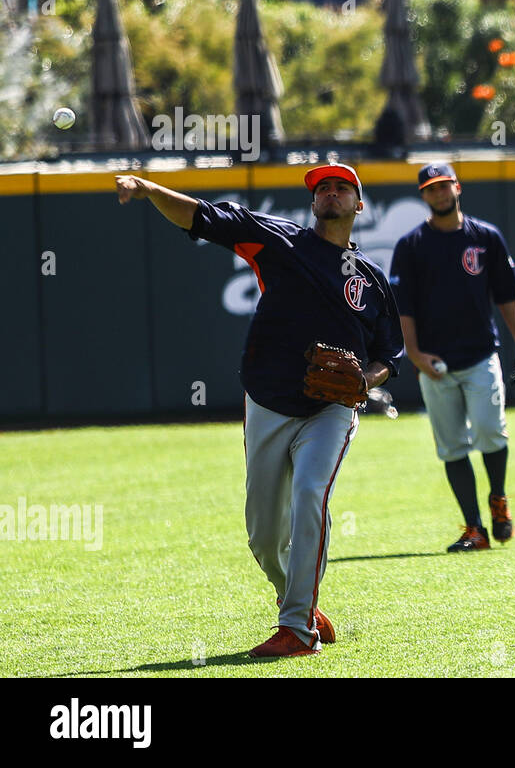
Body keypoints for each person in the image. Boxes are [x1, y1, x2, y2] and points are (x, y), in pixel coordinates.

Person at [114, 163, 403, 658]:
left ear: (360, 205)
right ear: (313, 204)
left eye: (342, 187)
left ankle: (296, 628)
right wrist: (146, 188)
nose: (331, 193)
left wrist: (363, 381)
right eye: (322, 188)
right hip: (268, 400)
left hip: (331, 410)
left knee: (312, 492)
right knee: (263, 538)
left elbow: (389, 357)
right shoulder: (278, 240)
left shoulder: (373, 281)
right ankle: (302, 603)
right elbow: (200, 217)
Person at [388, 163, 515, 552]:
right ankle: (474, 529)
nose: (439, 194)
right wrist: (415, 354)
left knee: (491, 431)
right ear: (423, 195)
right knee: (452, 447)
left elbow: (508, 296)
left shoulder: (485, 237)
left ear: (457, 187)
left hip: (479, 354)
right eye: (431, 188)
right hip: (435, 363)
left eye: (443, 186)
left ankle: (498, 500)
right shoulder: (411, 246)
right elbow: (403, 307)